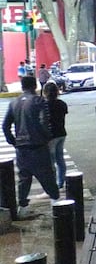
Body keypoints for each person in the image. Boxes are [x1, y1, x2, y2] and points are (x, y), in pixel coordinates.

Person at [2, 76, 58, 217]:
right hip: (38, 146)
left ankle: (23, 207)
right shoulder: (39, 101)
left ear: (22, 87)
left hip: (21, 148)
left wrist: (13, 141)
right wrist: (47, 137)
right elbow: (43, 122)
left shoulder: (14, 103)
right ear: (35, 86)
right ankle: (57, 204)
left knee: (24, 178)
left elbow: (5, 125)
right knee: (47, 176)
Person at [43, 81, 68, 189]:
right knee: (60, 159)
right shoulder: (62, 103)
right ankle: (61, 182)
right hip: (61, 133)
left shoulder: (44, 105)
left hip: (51, 136)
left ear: (45, 92)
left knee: (51, 161)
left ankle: (53, 185)